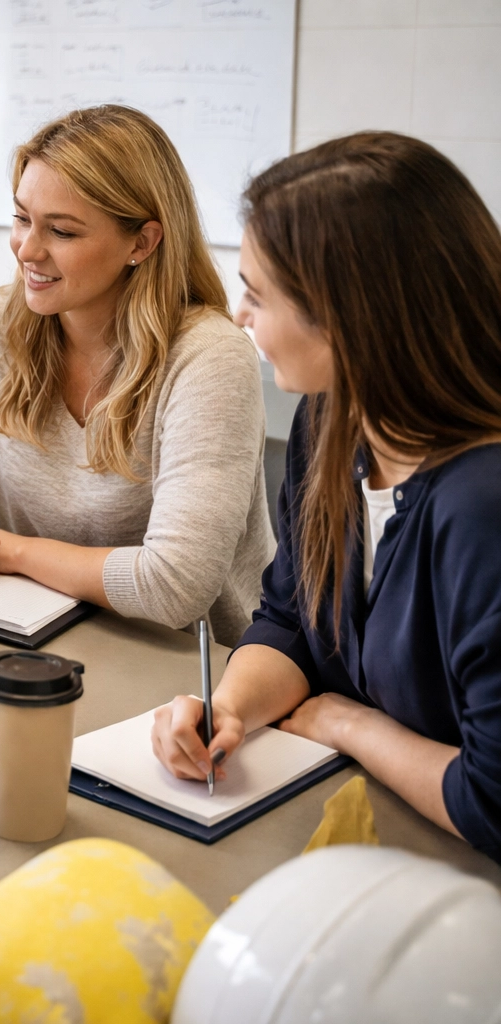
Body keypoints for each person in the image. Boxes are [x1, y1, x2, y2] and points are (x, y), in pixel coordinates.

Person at [151, 133, 501, 864]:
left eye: (256, 293)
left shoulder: (481, 505)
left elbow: (493, 804)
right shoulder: (331, 419)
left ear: (345, 316)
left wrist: (350, 726)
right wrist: (230, 710)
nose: (241, 316)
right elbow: (291, 621)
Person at [0, 105, 274, 645]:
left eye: (61, 231)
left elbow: (175, 585)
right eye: (22, 219)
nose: (27, 250)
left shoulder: (209, 359)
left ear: (142, 243)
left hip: (187, 666)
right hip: (36, 638)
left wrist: (9, 551)